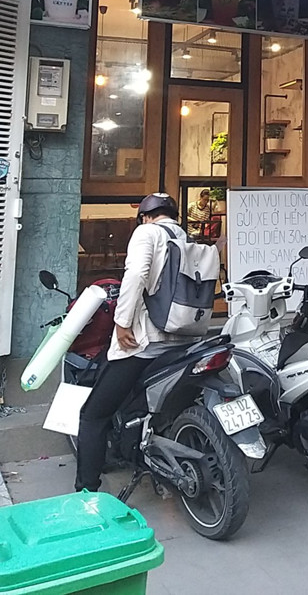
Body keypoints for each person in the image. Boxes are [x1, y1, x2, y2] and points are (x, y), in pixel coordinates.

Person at [75, 192, 219, 492]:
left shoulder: (147, 233)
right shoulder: (187, 239)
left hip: (144, 344)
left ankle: (86, 489)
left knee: (93, 414)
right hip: (184, 342)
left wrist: (122, 321)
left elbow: (136, 275)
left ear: (145, 216)